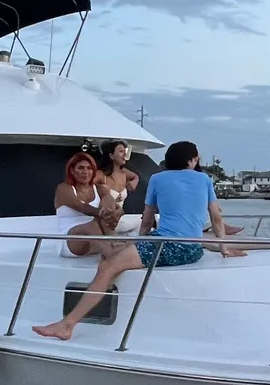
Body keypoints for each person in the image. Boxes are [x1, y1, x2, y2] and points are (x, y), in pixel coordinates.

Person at [33, 140, 244, 340]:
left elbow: (147, 220)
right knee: (114, 257)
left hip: (167, 245)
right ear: (192, 160)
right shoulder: (205, 179)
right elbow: (216, 218)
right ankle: (70, 322)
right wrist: (224, 249)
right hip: (190, 248)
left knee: (107, 267)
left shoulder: (158, 179)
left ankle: (67, 325)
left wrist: (141, 243)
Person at [55, 151, 117, 257]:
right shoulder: (64, 189)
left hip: (95, 239)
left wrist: (110, 206)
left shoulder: (99, 188)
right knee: (93, 225)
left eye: (89, 168)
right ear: (72, 171)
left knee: (107, 217)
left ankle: (112, 248)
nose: (86, 172)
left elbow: (112, 203)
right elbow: (83, 207)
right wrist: (105, 213)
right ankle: (112, 256)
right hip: (70, 241)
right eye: (81, 168)